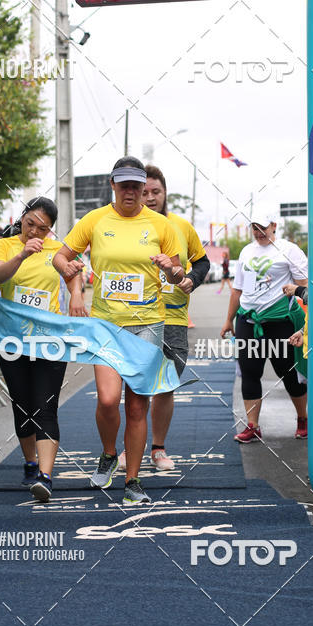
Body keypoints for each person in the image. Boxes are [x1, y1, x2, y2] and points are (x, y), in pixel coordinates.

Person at [53, 156, 184, 506]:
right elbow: (60, 257)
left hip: (148, 325)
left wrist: (169, 268)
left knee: (138, 407)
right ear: (112, 184)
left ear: (144, 187)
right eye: (123, 184)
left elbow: (179, 275)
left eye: (135, 185)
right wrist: (76, 286)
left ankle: (133, 480)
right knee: (109, 400)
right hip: (106, 323)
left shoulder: (160, 225)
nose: (130, 191)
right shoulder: (94, 220)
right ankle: (109, 454)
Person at [116, 164, 209, 471]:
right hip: (136, 318)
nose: (151, 197)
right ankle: (130, 450)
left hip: (173, 319)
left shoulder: (181, 226)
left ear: (165, 192)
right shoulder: (126, 225)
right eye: (146, 192)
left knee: (166, 385)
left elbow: (202, 261)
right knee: (135, 385)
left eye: (156, 191)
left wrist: (191, 280)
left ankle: (158, 448)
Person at [0, 197, 82, 502]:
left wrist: (77, 292)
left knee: (46, 406)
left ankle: (45, 475)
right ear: (21, 218)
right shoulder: (4, 246)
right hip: (12, 340)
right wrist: (22, 254)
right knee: (22, 405)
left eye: (43, 229)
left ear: (51, 230)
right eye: (30, 224)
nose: (35, 232)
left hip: (49, 340)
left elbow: (70, 270)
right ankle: (30, 462)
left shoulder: (55, 249)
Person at [220, 209, 308, 443]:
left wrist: (305, 325)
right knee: (249, 373)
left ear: (273, 225)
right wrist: (229, 319)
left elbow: (305, 287)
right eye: (254, 227)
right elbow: (239, 289)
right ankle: (253, 426)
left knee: (288, 373)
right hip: (248, 320)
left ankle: (302, 418)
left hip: (280, 323)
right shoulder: (248, 251)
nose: (259, 232)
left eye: (263, 227)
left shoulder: (289, 250)